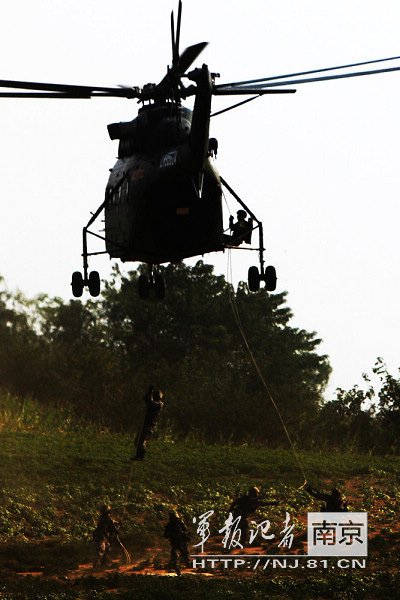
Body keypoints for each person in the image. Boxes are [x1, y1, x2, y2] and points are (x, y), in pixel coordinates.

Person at [133, 385, 165, 460]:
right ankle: (139, 455)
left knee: (142, 441)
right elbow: (145, 398)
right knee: (138, 440)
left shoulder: (159, 404)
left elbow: (150, 403)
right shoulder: (154, 403)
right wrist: (149, 392)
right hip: (146, 423)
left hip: (150, 425)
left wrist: (150, 392)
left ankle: (140, 456)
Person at [163, 510, 191, 575]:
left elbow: (166, 535)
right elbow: (166, 535)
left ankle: (182, 565)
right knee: (181, 554)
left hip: (179, 542)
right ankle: (180, 567)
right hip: (178, 542)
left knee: (181, 554)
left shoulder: (176, 523)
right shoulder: (175, 523)